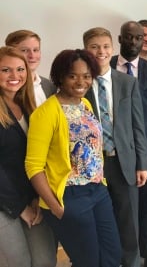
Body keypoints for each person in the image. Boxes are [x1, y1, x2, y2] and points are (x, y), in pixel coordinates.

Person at [25, 49, 121, 267]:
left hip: (97, 190)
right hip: (70, 195)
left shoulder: (85, 105)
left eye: (87, 76)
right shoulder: (45, 113)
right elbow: (33, 166)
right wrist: (56, 207)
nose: (81, 81)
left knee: (112, 255)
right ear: (60, 77)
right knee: (88, 261)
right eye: (73, 75)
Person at [83, 27, 147, 267]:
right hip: (92, 166)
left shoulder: (127, 82)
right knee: (100, 220)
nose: (100, 51)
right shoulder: (79, 82)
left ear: (112, 48)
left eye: (105, 46)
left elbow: (138, 126)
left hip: (124, 162)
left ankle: (132, 262)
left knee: (128, 221)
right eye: (94, 47)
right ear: (86, 50)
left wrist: (142, 164)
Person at [111, 21, 147, 267]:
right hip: (114, 150)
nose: (134, 42)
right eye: (129, 37)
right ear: (120, 38)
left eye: (139, 38)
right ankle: (122, 255)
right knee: (119, 206)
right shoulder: (106, 67)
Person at [0, 46, 57, 267]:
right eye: (6, 70)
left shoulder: (29, 104)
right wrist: (20, 207)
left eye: (20, 69)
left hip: (31, 195)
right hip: (5, 200)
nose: (15, 76)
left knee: (45, 260)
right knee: (18, 261)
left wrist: (37, 195)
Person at [5, 29, 56, 105]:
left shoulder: (49, 86)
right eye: (24, 50)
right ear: (10, 53)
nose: (32, 56)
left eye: (35, 50)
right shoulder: (6, 87)